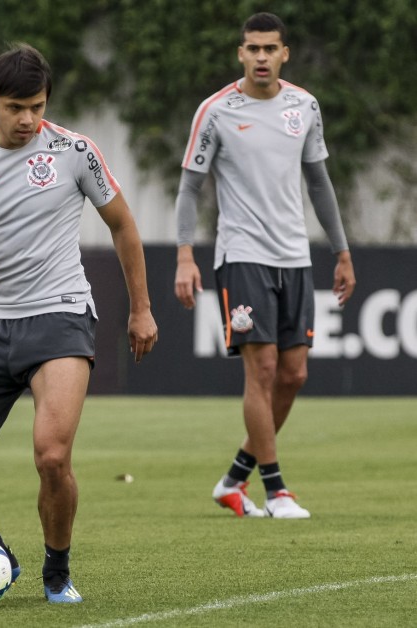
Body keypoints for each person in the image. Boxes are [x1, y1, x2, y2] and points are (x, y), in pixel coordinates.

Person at [0, 43, 158, 604]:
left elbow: (123, 226)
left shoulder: (74, 152)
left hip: (63, 315)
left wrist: (140, 308)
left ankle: (58, 572)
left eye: (37, 107)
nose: (28, 120)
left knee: (51, 455)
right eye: (16, 107)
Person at [174, 13, 356, 519]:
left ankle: (234, 479)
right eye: (252, 48)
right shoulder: (215, 111)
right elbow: (189, 186)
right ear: (240, 53)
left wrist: (342, 252)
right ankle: (276, 490)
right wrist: (185, 254)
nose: (260, 57)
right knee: (265, 368)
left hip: (295, 256)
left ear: (284, 54)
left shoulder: (304, 106)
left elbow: (319, 183)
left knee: (293, 375)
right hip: (242, 255)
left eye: (269, 48)